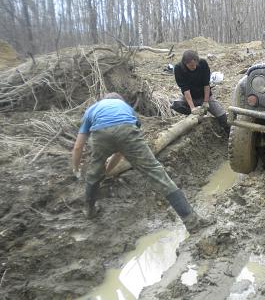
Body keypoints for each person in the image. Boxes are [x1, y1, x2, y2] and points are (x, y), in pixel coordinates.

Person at [72, 92, 211, 234]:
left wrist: (76, 169)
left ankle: (89, 210)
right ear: (119, 101)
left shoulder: (92, 109)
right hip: (127, 129)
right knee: (157, 174)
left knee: (93, 174)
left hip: (100, 134)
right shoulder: (126, 108)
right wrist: (109, 169)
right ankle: (192, 221)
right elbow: (123, 148)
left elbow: (78, 147)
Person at [172, 50, 229, 132]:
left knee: (222, 115)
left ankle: (225, 131)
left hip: (204, 95)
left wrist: (206, 102)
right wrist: (192, 108)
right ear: (185, 63)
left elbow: (206, 84)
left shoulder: (203, 64)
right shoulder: (178, 68)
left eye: (195, 65)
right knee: (176, 105)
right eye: (191, 65)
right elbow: (185, 89)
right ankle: (197, 115)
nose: (194, 67)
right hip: (190, 96)